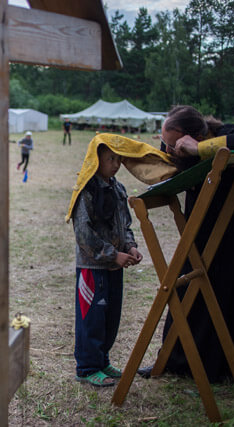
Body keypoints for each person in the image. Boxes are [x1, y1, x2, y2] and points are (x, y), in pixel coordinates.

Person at [138, 105, 234, 383]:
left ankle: (222, 363)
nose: (170, 148)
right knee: (192, 281)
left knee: (229, 282)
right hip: (209, 215)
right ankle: (179, 359)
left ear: (195, 136)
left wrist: (198, 150)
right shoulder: (178, 147)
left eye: (174, 143)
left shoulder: (224, 133)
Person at [71, 143, 142, 387]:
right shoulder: (86, 191)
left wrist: (130, 247)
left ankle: (102, 361)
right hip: (93, 268)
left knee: (110, 318)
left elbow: (126, 224)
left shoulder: (119, 189)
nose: (116, 164)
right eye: (110, 159)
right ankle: (87, 367)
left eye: (119, 159)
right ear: (95, 160)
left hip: (115, 267)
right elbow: (83, 234)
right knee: (91, 319)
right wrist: (113, 254)